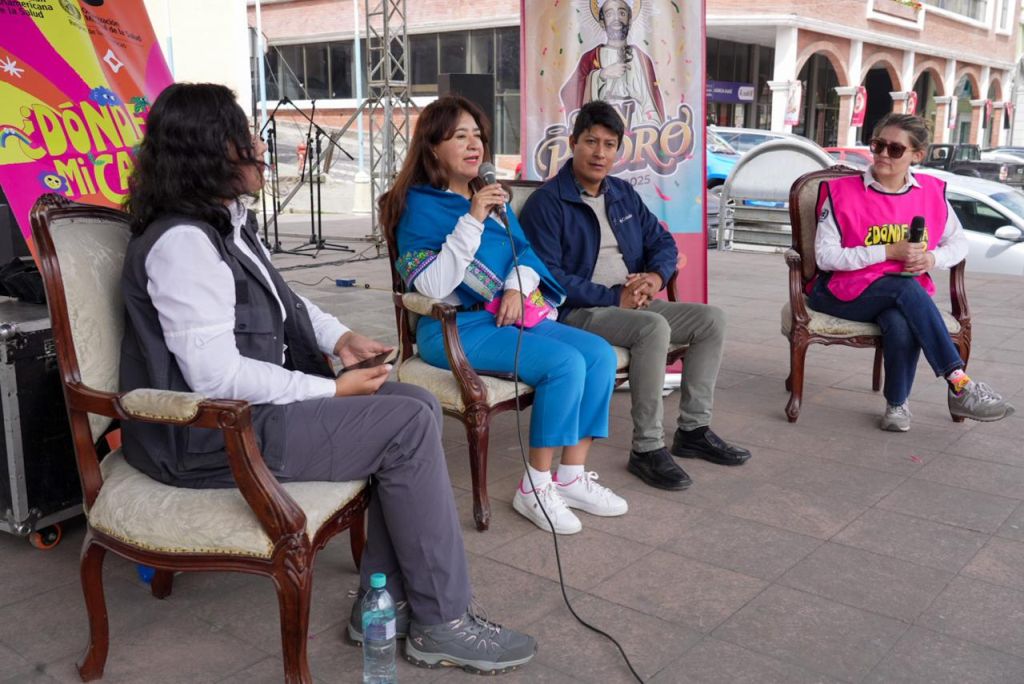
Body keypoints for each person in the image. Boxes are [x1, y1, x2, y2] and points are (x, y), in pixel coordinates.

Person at [120, 83, 535, 675]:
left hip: (249, 416)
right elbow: (213, 376)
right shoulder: (183, 244)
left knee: (409, 405)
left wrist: (340, 341)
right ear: (210, 151)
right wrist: (331, 388)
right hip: (207, 436)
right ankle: (441, 621)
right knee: (407, 424)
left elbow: (286, 300)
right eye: (245, 136)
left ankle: (383, 598)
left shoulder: (224, 224)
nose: (260, 147)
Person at [383, 95, 626, 535]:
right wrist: (472, 220)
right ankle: (534, 486)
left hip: (504, 317)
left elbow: (526, 257)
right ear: (433, 147)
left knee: (599, 355)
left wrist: (515, 286)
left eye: (478, 134)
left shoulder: (489, 197)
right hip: (453, 328)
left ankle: (569, 477)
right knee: (565, 363)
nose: (475, 144)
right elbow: (432, 287)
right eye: (460, 135)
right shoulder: (420, 206)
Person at [519, 100, 751, 492]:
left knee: (712, 320)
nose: (600, 152)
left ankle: (693, 429)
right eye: (591, 142)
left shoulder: (622, 193)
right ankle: (647, 448)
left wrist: (657, 278)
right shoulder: (547, 203)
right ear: (573, 143)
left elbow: (661, 240)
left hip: (632, 303)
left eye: (609, 144)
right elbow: (547, 277)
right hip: (578, 311)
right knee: (652, 328)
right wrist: (614, 297)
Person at [810, 112, 1014, 431]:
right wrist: (888, 251)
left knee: (899, 319)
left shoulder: (931, 192)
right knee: (903, 289)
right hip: (840, 292)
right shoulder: (840, 193)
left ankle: (896, 406)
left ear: (916, 156)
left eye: (895, 149)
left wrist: (932, 259)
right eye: (878, 145)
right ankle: (959, 382)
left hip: (903, 297)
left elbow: (958, 243)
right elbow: (824, 257)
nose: (882, 155)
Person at [560, 0, 665, 127]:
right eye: (610, 14)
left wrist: (650, 127)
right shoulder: (590, 58)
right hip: (602, 132)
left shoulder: (641, 58)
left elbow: (651, 105)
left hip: (639, 134)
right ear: (602, 23)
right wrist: (601, 75)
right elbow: (568, 92)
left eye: (622, 13)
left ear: (630, 20)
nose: (616, 19)